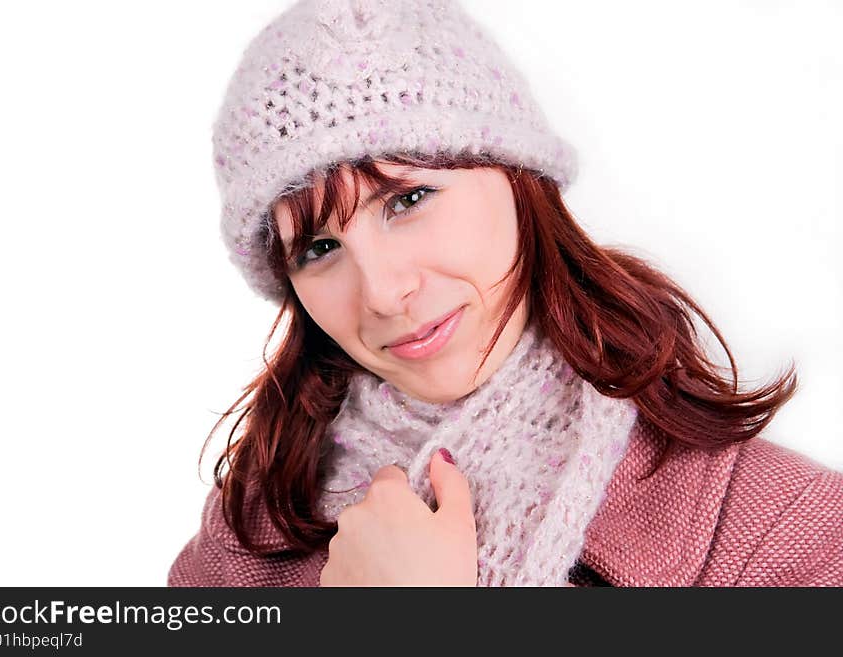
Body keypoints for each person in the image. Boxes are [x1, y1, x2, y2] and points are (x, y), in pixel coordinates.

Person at [167, 0, 842, 587]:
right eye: (319, 249)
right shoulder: (244, 545)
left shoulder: (779, 531)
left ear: (520, 182)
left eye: (408, 199)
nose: (382, 291)